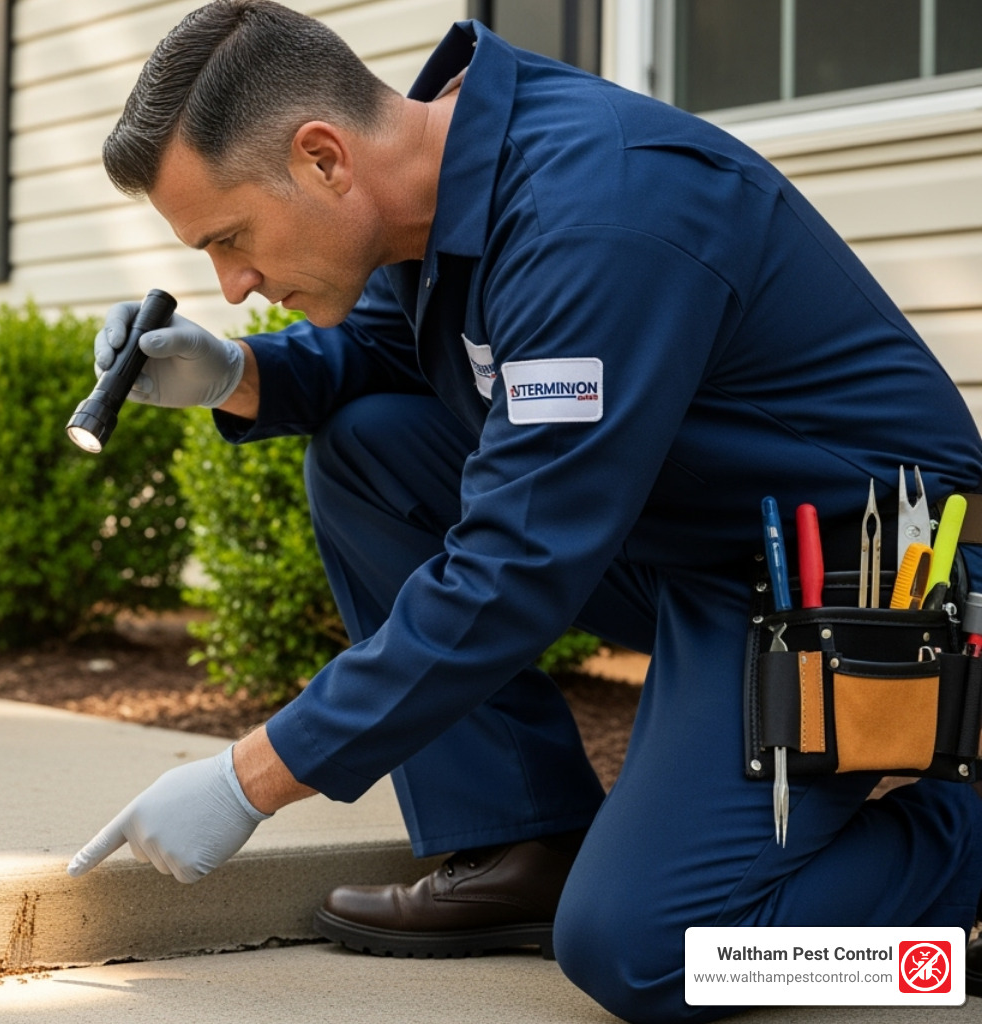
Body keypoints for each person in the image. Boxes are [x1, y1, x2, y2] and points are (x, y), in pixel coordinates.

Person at [64, 2, 982, 1019]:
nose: (231, 283)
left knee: (649, 955)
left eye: (230, 239)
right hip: (693, 538)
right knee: (369, 448)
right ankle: (526, 839)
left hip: (862, 577)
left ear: (324, 159)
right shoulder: (429, 181)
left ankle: (961, 876)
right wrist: (235, 374)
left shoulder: (594, 213)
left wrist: (253, 777)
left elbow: (516, 565)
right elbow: (378, 357)